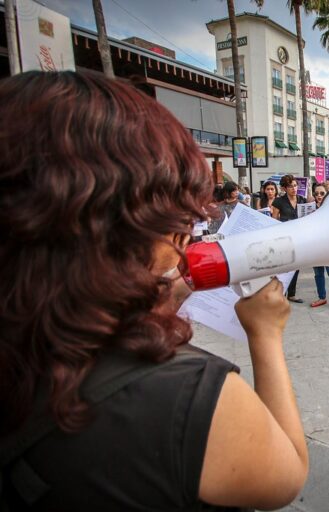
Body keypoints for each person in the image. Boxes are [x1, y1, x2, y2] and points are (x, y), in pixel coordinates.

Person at [0, 71, 307, 510]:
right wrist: (266, 333)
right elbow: (286, 477)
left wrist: (153, 299)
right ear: (129, 223)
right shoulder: (184, 396)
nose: (186, 233)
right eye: (177, 214)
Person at [272, 174, 307, 303]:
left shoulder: (302, 200)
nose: (294, 188)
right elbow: (274, 220)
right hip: (284, 237)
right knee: (283, 267)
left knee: (296, 267)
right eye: (290, 186)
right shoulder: (279, 201)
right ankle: (280, 292)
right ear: (284, 188)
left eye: (295, 185)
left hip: (299, 237)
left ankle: (291, 294)